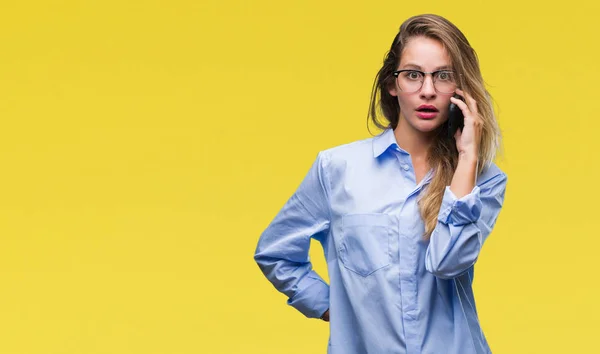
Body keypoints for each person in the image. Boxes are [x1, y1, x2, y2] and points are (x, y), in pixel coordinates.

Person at [254, 13, 507, 354]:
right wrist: (332, 309)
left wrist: (467, 159)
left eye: (443, 76)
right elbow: (275, 252)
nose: (428, 90)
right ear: (392, 83)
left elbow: (447, 263)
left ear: (461, 89)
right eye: (414, 75)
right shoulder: (337, 169)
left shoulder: (483, 181)